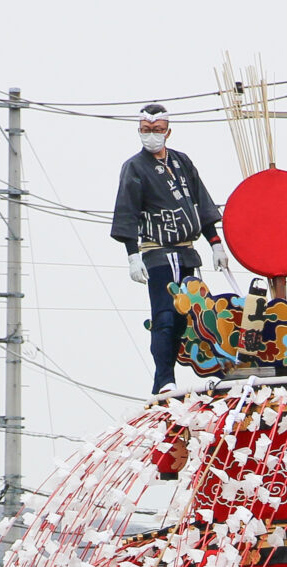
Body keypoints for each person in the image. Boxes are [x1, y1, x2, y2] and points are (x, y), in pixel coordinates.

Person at [111, 104, 228, 393]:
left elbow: (201, 203)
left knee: (192, 316)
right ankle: (164, 379)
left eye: (158, 130)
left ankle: (211, 370)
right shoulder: (135, 167)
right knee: (164, 314)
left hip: (187, 251)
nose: (152, 135)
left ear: (168, 132)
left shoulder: (182, 162)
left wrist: (216, 244)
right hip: (158, 251)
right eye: (147, 130)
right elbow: (127, 211)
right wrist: (132, 254)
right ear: (140, 131)